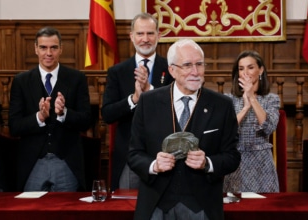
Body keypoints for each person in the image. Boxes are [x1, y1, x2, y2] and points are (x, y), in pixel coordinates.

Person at [127, 38, 241, 220]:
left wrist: (208, 163)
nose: (195, 72)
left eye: (199, 64)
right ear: (172, 70)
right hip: (156, 203)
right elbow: (134, 154)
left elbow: (233, 157)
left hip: (202, 205)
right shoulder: (148, 102)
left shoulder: (222, 105)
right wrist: (154, 165)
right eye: (187, 65)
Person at [8, 26, 92, 192]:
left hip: (66, 163)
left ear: (61, 49)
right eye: (43, 47)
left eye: (53, 47)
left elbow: (86, 121)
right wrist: (39, 117)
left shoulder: (77, 79)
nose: (48, 53)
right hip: (33, 164)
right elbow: (14, 127)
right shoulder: (21, 81)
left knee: (66, 213)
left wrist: (64, 113)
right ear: (35, 49)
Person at [101, 13, 173, 191]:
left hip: (165, 155)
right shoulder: (117, 71)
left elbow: (177, 108)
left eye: (150, 33)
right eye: (140, 34)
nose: (145, 39)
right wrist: (133, 99)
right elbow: (107, 114)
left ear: (158, 35)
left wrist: (150, 91)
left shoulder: (172, 68)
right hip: (130, 156)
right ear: (131, 36)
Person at [223, 50, 280, 193]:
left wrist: (252, 99)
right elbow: (226, 130)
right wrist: (245, 108)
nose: (245, 72)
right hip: (236, 161)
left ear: (260, 70)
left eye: (250, 67)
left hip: (262, 162)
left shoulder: (271, 99)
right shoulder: (228, 99)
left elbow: (269, 128)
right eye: (241, 69)